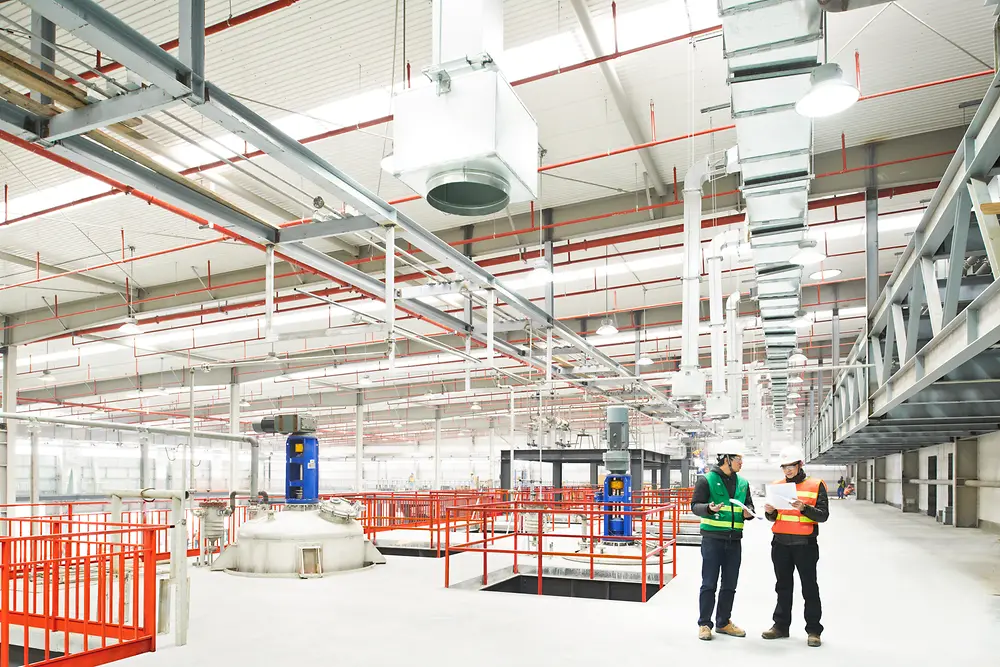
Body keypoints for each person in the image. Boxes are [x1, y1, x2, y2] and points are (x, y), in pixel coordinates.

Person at [761, 446, 830, 648]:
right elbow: (773, 517)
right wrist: (770, 512)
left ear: (800, 465)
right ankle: (781, 626)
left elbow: (823, 516)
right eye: (784, 467)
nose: (787, 471)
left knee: (809, 588)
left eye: (790, 466)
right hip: (780, 543)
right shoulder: (777, 485)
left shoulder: (816, 485)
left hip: (805, 544)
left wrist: (804, 508)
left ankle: (814, 630)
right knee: (782, 587)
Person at [690, 440, 755, 641]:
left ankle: (723, 622)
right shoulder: (706, 480)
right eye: (738, 459)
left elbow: (750, 507)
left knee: (730, 584)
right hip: (712, 540)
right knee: (709, 583)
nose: (740, 463)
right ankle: (704, 624)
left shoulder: (743, 483)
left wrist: (749, 514)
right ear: (726, 459)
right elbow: (695, 506)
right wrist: (708, 509)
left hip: (734, 540)